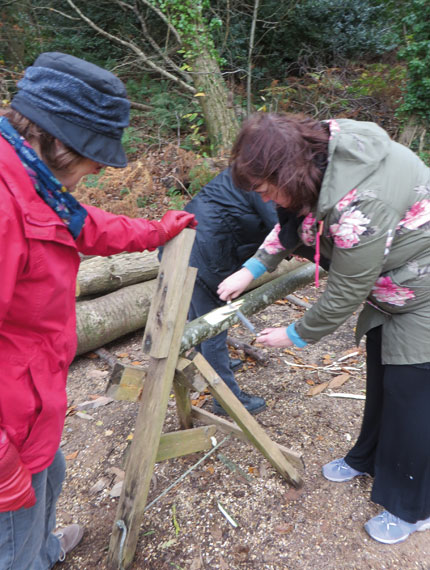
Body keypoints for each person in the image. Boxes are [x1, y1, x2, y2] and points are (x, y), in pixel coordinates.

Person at [0, 52, 196, 569]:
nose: (99, 169)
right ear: (58, 141)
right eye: (95, 156)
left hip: (31, 404)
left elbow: (87, 227)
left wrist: (159, 230)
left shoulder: (34, 184)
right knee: (10, 537)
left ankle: (42, 549)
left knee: (52, 478)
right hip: (7, 433)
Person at [217, 112, 430, 544]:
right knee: (383, 381)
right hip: (392, 295)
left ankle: (413, 508)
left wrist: (294, 334)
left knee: (412, 400)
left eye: (263, 189)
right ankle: (367, 456)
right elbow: (295, 225)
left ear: (287, 172)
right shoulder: (321, 163)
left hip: (421, 296)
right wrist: (252, 268)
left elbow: (346, 290)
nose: (263, 198)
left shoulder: (361, 203)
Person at [183, 168, 278, 415]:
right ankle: (226, 398)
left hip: (192, 245)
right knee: (214, 324)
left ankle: (205, 366)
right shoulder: (264, 175)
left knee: (200, 319)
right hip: (206, 253)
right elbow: (281, 224)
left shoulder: (249, 167)